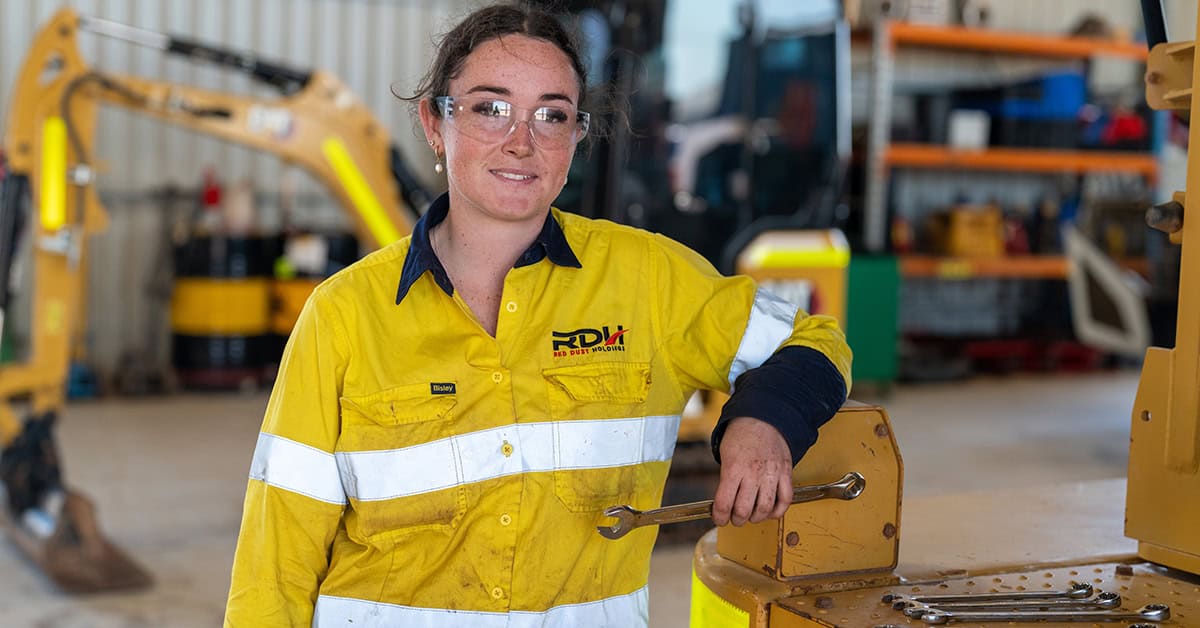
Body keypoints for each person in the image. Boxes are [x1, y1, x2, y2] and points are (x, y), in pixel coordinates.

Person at [225, 4, 850, 626]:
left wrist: (765, 421)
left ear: (576, 137)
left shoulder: (649, 281)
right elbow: (275, 558)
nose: (521, 142)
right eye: (490, 108)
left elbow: (817, 340)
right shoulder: (343, 314)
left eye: (551, 116)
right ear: (435, 123)